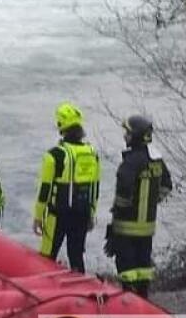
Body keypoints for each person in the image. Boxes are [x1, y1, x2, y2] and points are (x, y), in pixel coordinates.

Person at [104, 115, 173, 298]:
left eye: (127, 132)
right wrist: (151, 201)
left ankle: (128, 299)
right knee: (143, 266)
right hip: (147, 227)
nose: (125, 136)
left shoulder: (131, 162)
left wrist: (117, 220)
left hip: (126, 227)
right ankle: (143, 298)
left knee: (127, 268)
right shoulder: (156, 160)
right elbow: (167, 186)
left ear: (135, 135)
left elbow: (123, 194)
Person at [32, 103, 100, 273]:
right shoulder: (92, 153)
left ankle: (45, 294)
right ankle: (82, 292)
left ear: (61, 126)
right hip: (83, 212)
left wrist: (38, 216)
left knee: (47, 257)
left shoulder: (54, 155)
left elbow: (45, 189)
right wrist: (91, 213)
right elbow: (95, 188)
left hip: (58, 215)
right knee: (76, 256)